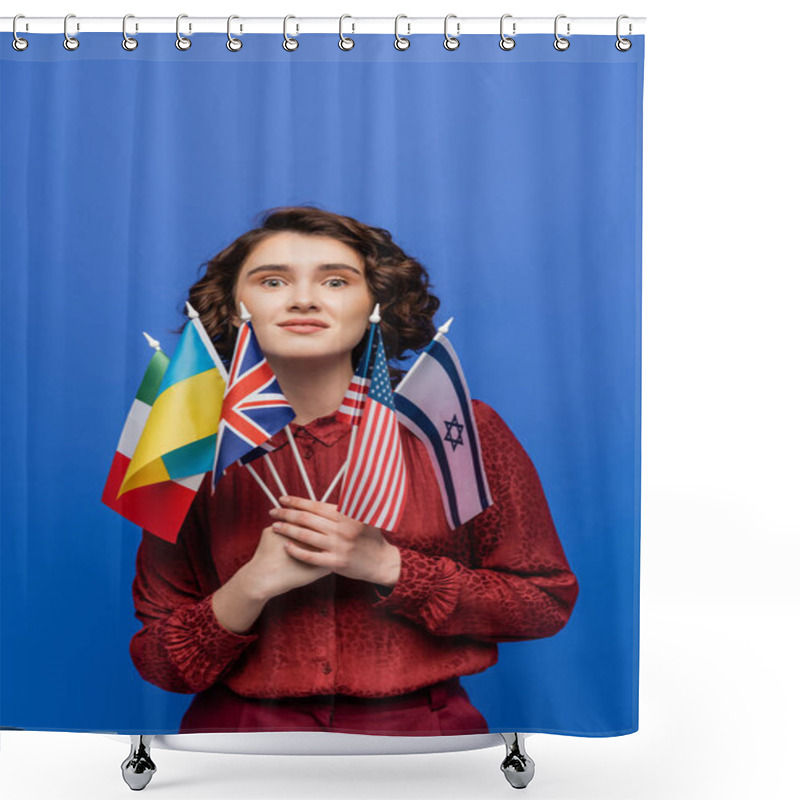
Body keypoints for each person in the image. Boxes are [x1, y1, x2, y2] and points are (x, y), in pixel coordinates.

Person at [129, 206, 579, 736]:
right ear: (234, 309)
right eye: (272, 281)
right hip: (240, 736)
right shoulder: (190, 443)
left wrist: (388, 566)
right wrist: (250, 586)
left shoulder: (458, 428)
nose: (303, 298)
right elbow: (162, 662)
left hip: (425, 734)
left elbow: (542, 603)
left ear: (374, 304)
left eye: (336, 281)